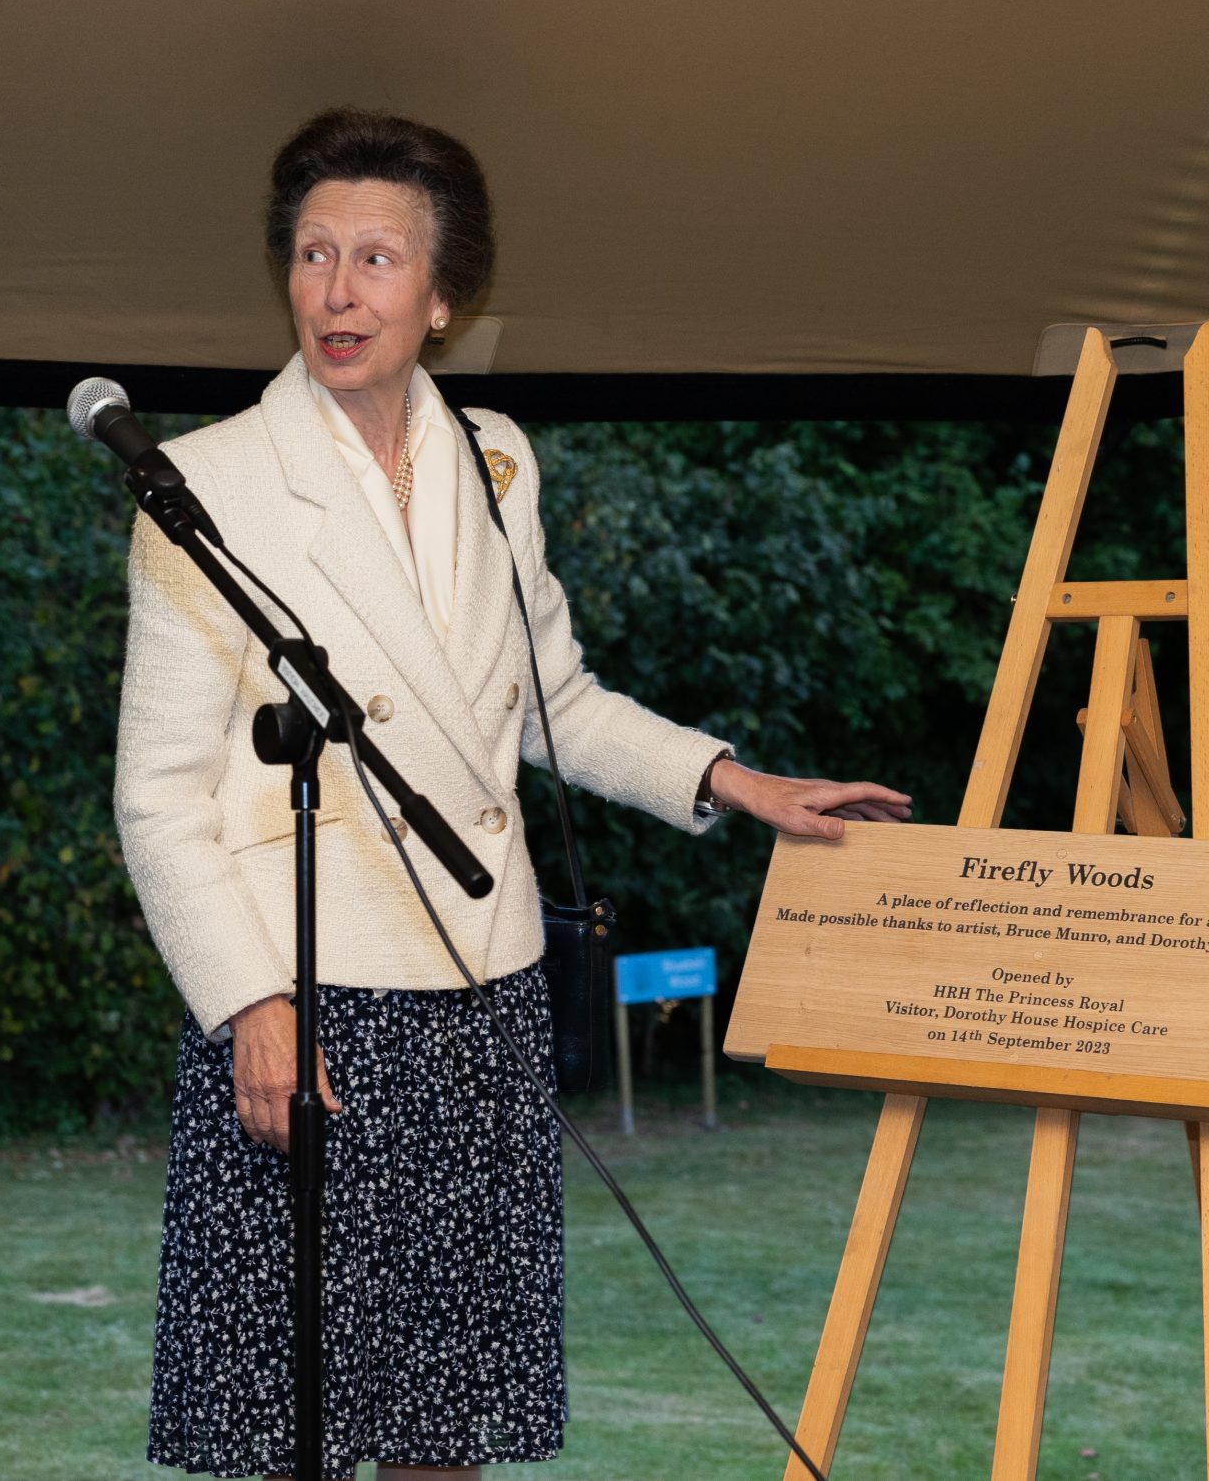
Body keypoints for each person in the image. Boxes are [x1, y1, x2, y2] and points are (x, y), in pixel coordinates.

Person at [116, 107, 911, 1480]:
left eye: (375, 258)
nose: (338, 289)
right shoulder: (207, 481)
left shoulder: (497, 460)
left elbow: (557, 702)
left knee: (443, 1428)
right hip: (304, 1001)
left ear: (443, 298)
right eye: (313, 255)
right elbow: (155, 795)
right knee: (283, 1437)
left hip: (483, 999)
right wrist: (249, 1003)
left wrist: (735, 780)